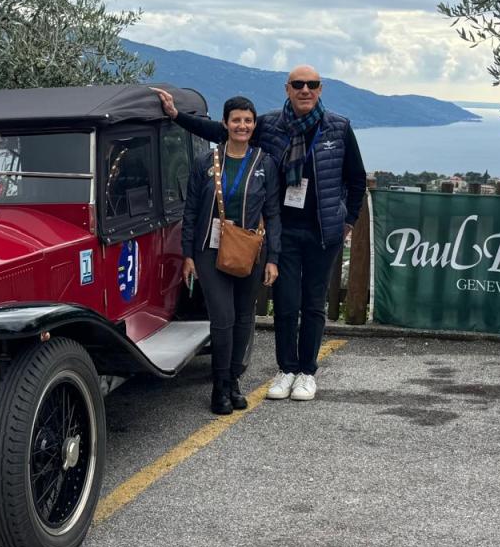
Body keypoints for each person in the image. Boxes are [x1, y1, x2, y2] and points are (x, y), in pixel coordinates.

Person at [154, 66, 366, 402]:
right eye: (298, 85)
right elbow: (224, 132)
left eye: (312, 85)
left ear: (320, 89)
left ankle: (306, 372)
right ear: (288, 89)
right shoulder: (269, 125)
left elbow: (356, 178)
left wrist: (348, 220)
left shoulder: (337, 128)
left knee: (313, 304)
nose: (305, 90)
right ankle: (286, 369)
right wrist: (178, 116)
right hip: (284, 231)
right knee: (285, 303)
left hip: (324, 231)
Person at [173, 95, 281, 415]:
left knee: (244, 318)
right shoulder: (206, 162)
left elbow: (273, 214)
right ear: (225, 123)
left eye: (248, 121)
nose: (242, 126)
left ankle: (234, 381)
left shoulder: (265, 163)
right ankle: (219, 387)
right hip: (209, 248)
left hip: (251, 249)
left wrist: (273, 258)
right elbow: (191, 210)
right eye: (236, 120)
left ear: (254, 125)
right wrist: (188, 254)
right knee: (223, 319)